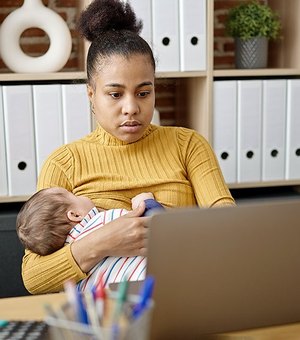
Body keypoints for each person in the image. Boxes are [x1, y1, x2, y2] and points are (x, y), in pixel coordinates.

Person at [21, 0, 235, 294]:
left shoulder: (189, 145)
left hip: (185, 296)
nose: (131, 108)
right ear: (91, 94)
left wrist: (166, 230)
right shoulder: (64, 163)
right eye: (115, 94)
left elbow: (231, 229)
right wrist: (104, 241)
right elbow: (34, 278)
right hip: (103, 317)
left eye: (144, 92)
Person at [17, 187, 163, 290]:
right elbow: (157, 225)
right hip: (152, 284)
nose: (83, 196)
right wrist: (146, 202)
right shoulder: (103, 220)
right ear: (75, 215)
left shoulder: (72, 278)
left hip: (110, 307)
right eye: (74, 195)